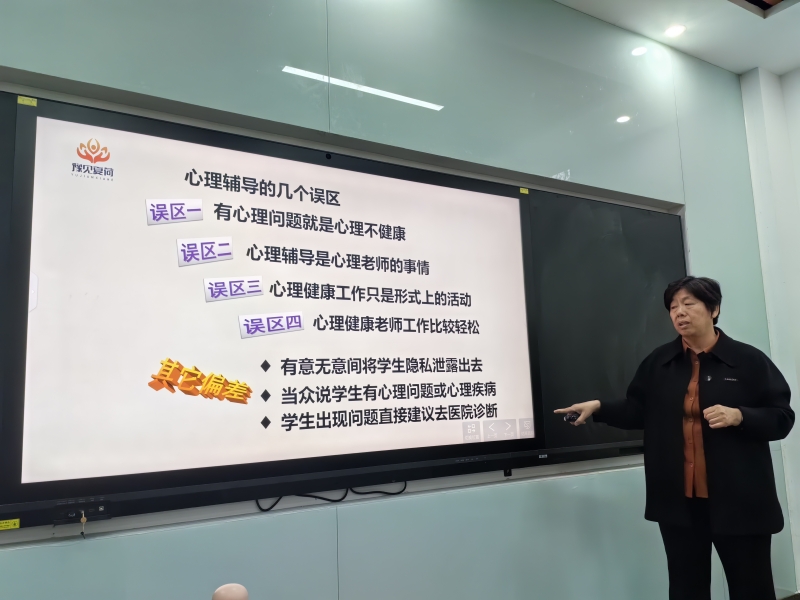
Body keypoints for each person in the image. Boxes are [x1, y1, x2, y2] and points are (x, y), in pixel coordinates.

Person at [555, 276, 794, 600]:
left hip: (740, 501)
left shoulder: (748, 361)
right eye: (673, 307)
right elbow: (638, 410)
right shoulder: (659, 363)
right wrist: (598, 407)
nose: (679, 312)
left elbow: (782, 418)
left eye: (688, 304)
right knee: (686, 589)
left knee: (751, 589)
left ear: (714, 309)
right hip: (679, 505)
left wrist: (740, 416)